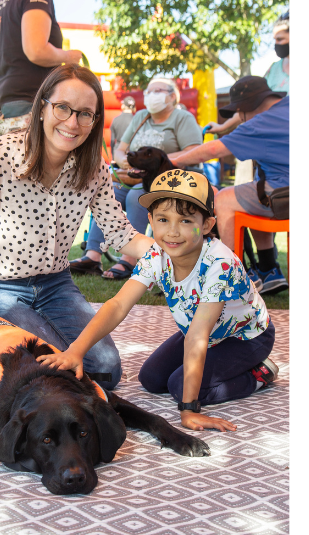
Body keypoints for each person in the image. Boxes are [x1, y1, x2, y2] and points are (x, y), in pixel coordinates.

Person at [0, 64, 157, 392]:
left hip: (54, 283)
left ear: (95, 122)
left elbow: (120, 233)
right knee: (55, 363)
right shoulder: (1, 154)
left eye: (85, 114)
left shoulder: (93, 167)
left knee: (106, 369)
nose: (71, 122)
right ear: (42, 108)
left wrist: (176, 255)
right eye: (63, 108)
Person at [37, 170, 278, 432]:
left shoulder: (220, 263)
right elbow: (117, 305)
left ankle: (259, 375)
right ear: (151, 220)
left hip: (245, 337)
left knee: (179, 387)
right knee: (151, 378)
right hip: (202, 333)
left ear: (207, 225)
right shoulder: (157, 255)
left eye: (186, 221)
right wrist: (75, 351)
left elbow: (198, 336)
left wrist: (189, 409)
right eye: (163, 219)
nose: (172, 232)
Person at [70, 78, 203, 280]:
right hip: (137, 176)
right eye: (148, 91)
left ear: (172, 96)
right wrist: (125, 163)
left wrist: (158, 163)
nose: (151, 95)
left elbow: (194, 152)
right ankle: (92, 256)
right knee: (107, 192)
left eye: (157, 91)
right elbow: (122, 149)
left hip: (168, 181)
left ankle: (129, 260)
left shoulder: (182, 118)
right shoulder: (141, 116)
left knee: (137, 196)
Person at [172, 76, 289, 295]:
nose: (240, 118)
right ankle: (269, 269)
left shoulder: (259, 124)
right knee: (252, 195)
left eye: (239, 112)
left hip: (284, 193)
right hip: (276, 189)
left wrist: (173, 161)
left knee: (224, 198)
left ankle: (235, 275)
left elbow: (214, 150)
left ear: (246, 107)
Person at [0, 0, 83, 136]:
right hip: (31, 103)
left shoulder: (2, 4)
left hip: (7, 104)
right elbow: (36, 50)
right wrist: (69, 57)